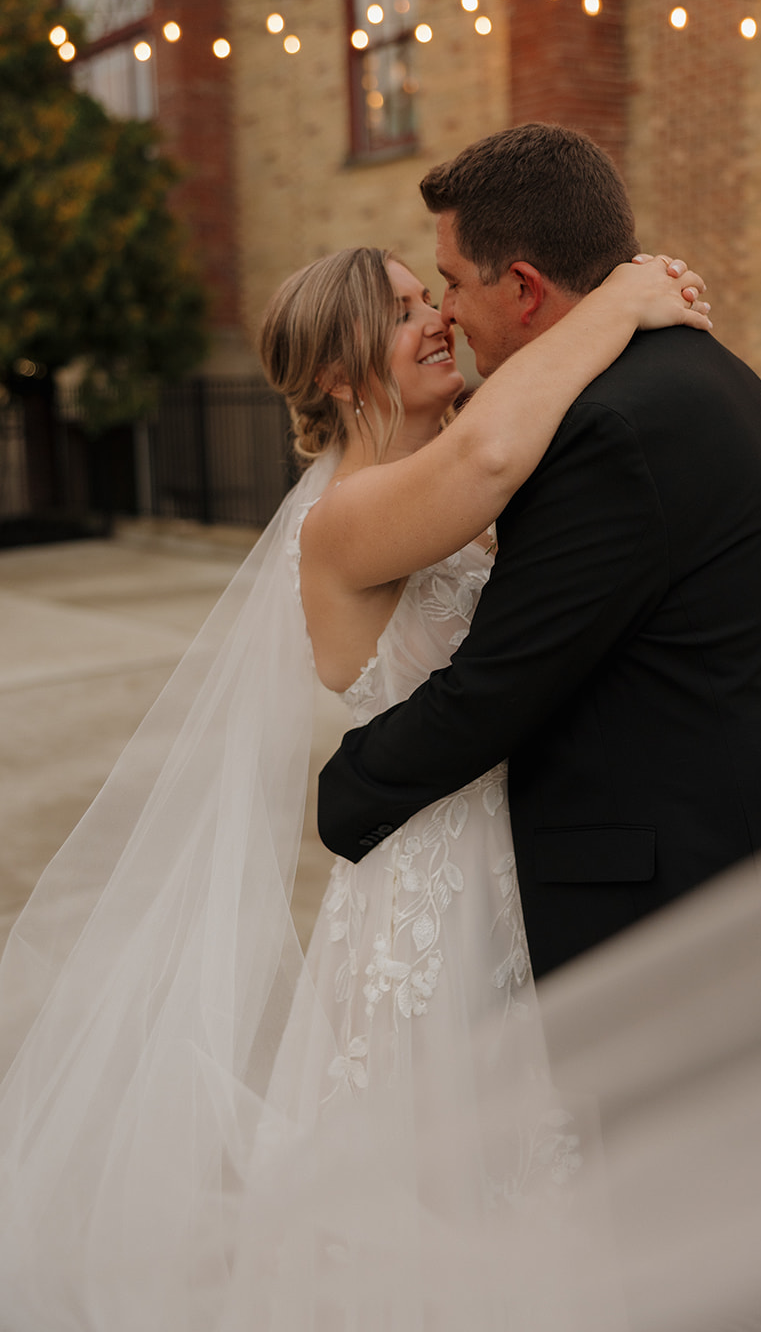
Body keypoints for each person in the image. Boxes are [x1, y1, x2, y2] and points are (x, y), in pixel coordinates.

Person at [0, 240, 709, 1332]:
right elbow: (485, 454)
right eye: (402, 311)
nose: (436, 321)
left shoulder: (430, 483)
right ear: (337, 374)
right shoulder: (346, 515)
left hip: (530, 854)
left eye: (433, 299)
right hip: (440, 893)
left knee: (543, 1185)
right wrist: (614, 301)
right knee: (449, 1202)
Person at [317, 123, 761, 1330]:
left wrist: (346, 790)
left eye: (453, 285)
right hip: (751, 920)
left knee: (714, 1285)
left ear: (522, 288)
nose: (447, 318)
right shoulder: (681, 376)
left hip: (705, 956)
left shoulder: (616, 430)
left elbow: (497, 684)